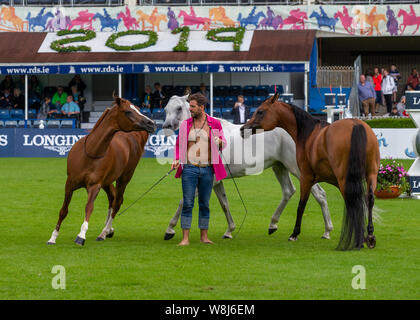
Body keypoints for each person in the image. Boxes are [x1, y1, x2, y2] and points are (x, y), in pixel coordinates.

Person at [171, 93, 227, 246]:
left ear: (202, 107)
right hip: (189, 169)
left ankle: (204, 237)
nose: (190, 109)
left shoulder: (214, 124)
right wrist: (177, 159)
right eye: (190, 106)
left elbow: (224, 144)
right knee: (188, 203)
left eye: (193, 106)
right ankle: (185, 239)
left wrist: (220, 142)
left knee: (205, 204)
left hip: (208, 169)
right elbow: (178, 145)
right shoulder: (185, 124)